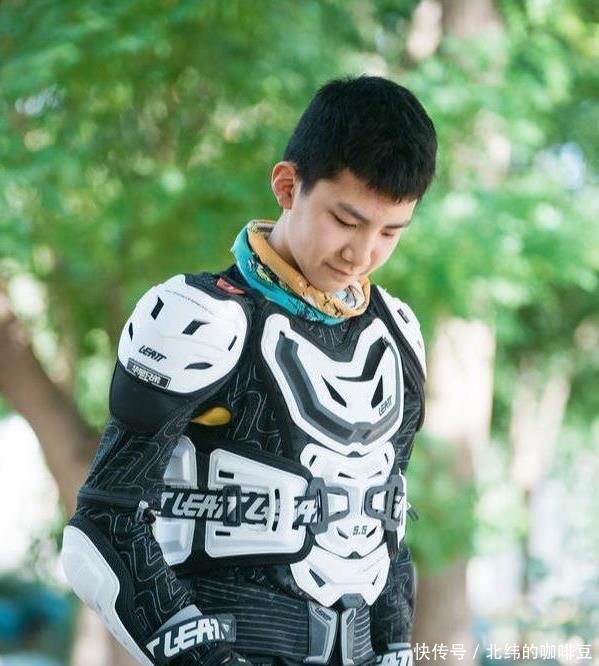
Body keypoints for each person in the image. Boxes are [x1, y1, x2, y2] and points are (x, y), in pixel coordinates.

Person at [60, 75, 437, 666]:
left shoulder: (397, 336)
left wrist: (395, 651)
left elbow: (383, 529)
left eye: (390, 231)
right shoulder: (197, 320)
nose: (362, 253)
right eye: (346, 220)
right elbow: (103, 525)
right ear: (287, 186)